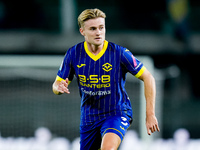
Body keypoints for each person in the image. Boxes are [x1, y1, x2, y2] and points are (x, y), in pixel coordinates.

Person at [52, 8, 159, 150]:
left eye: (101, 27)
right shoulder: (73, 54)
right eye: (93, 29)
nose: (98, 32)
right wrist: (58, 88)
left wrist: (150, 114)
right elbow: (57, 84)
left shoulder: (119, 53)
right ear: (82, 31)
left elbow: (148, 78)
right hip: (89, 118)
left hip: (116, 112)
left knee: (108, 148)